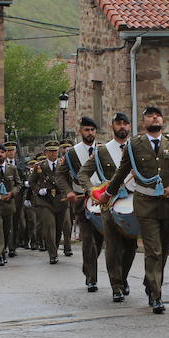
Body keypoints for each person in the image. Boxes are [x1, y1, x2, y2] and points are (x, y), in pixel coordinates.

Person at [103, 106, 169, 313]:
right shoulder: (134, 144)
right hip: (146, 204)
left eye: (158, 115)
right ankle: (156, 296)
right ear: (144, 122)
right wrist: (108, 193)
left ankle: (150, 281)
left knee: (163, 251)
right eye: (149, 116)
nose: (154, 118)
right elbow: (122, 171)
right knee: (153, 250)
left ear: (162, 120)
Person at [83, 112, 139, 302]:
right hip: (109, 203)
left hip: (132, 203)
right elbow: (83, 173)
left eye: (125, 123)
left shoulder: (138, 148)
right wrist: (92, 190)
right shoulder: (102, 151)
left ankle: (122, 279)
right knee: (113, 246)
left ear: (129, 126)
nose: (122, 126)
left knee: (131, 245)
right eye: (118, 123)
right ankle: (116, 286)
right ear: (112, 126)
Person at [63, 117, 102, 291]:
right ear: (80, 131)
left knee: (100, 241)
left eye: (93, 130)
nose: (90, 133)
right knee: (88, 240)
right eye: (87, 130)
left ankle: (88, 266)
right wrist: (68, 191)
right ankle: (92, 278)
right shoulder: (72, 153)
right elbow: (60, 174)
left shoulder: (104, 150)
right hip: (82, 200)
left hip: (102, 200)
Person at [29, 142, 69, 263]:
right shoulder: (39, 166)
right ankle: (52, 254)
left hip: (60, 199)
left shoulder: (64, 165)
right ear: (46, 153)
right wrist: (38, 190)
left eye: (55, 151)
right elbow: (32, 182)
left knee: (58, 227)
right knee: (49, 226)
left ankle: (54, 248)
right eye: (51, 151)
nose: (53, 154)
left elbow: (69, 180)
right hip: (45, 201)